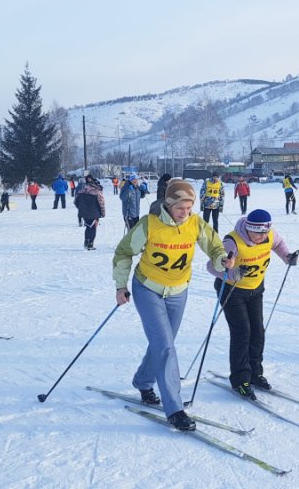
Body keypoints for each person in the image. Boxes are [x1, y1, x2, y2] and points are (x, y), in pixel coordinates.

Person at [113, 179, 233, 431]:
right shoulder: (150, 224)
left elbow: (214, 246)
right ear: (168, 204)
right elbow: (124, 252)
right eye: (180, 208)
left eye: (189, 208)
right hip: (148, 289)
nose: (185, 213)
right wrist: (120, 285)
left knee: (162, 343)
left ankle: (143, 382)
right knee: (165, 345)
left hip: (179, 291)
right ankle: (175, 409)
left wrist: (223, 260)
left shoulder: (195, 223)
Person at [206, 209, 298, 399]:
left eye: (264, 233)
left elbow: (278, 243)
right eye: (257, 233)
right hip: (232, 291)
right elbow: (211, 266)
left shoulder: (269, 235)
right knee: (242, 332)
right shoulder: (233, 241)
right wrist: (231, 271)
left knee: (257, 331)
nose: (262, 237)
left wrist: (287, 256)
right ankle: (240, 380)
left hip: (256, 289)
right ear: (248, 229)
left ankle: (255, 373)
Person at [74, 174, 106, 250]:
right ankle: (90, 243)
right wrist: (103, 212)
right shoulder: (97, 191)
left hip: (84, 212)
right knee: (93, 228)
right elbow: (101, 202)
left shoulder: (81, 190)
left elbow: (76, 201)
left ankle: (86, 242)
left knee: (88, 227)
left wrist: (81, 208)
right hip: (94, 212)